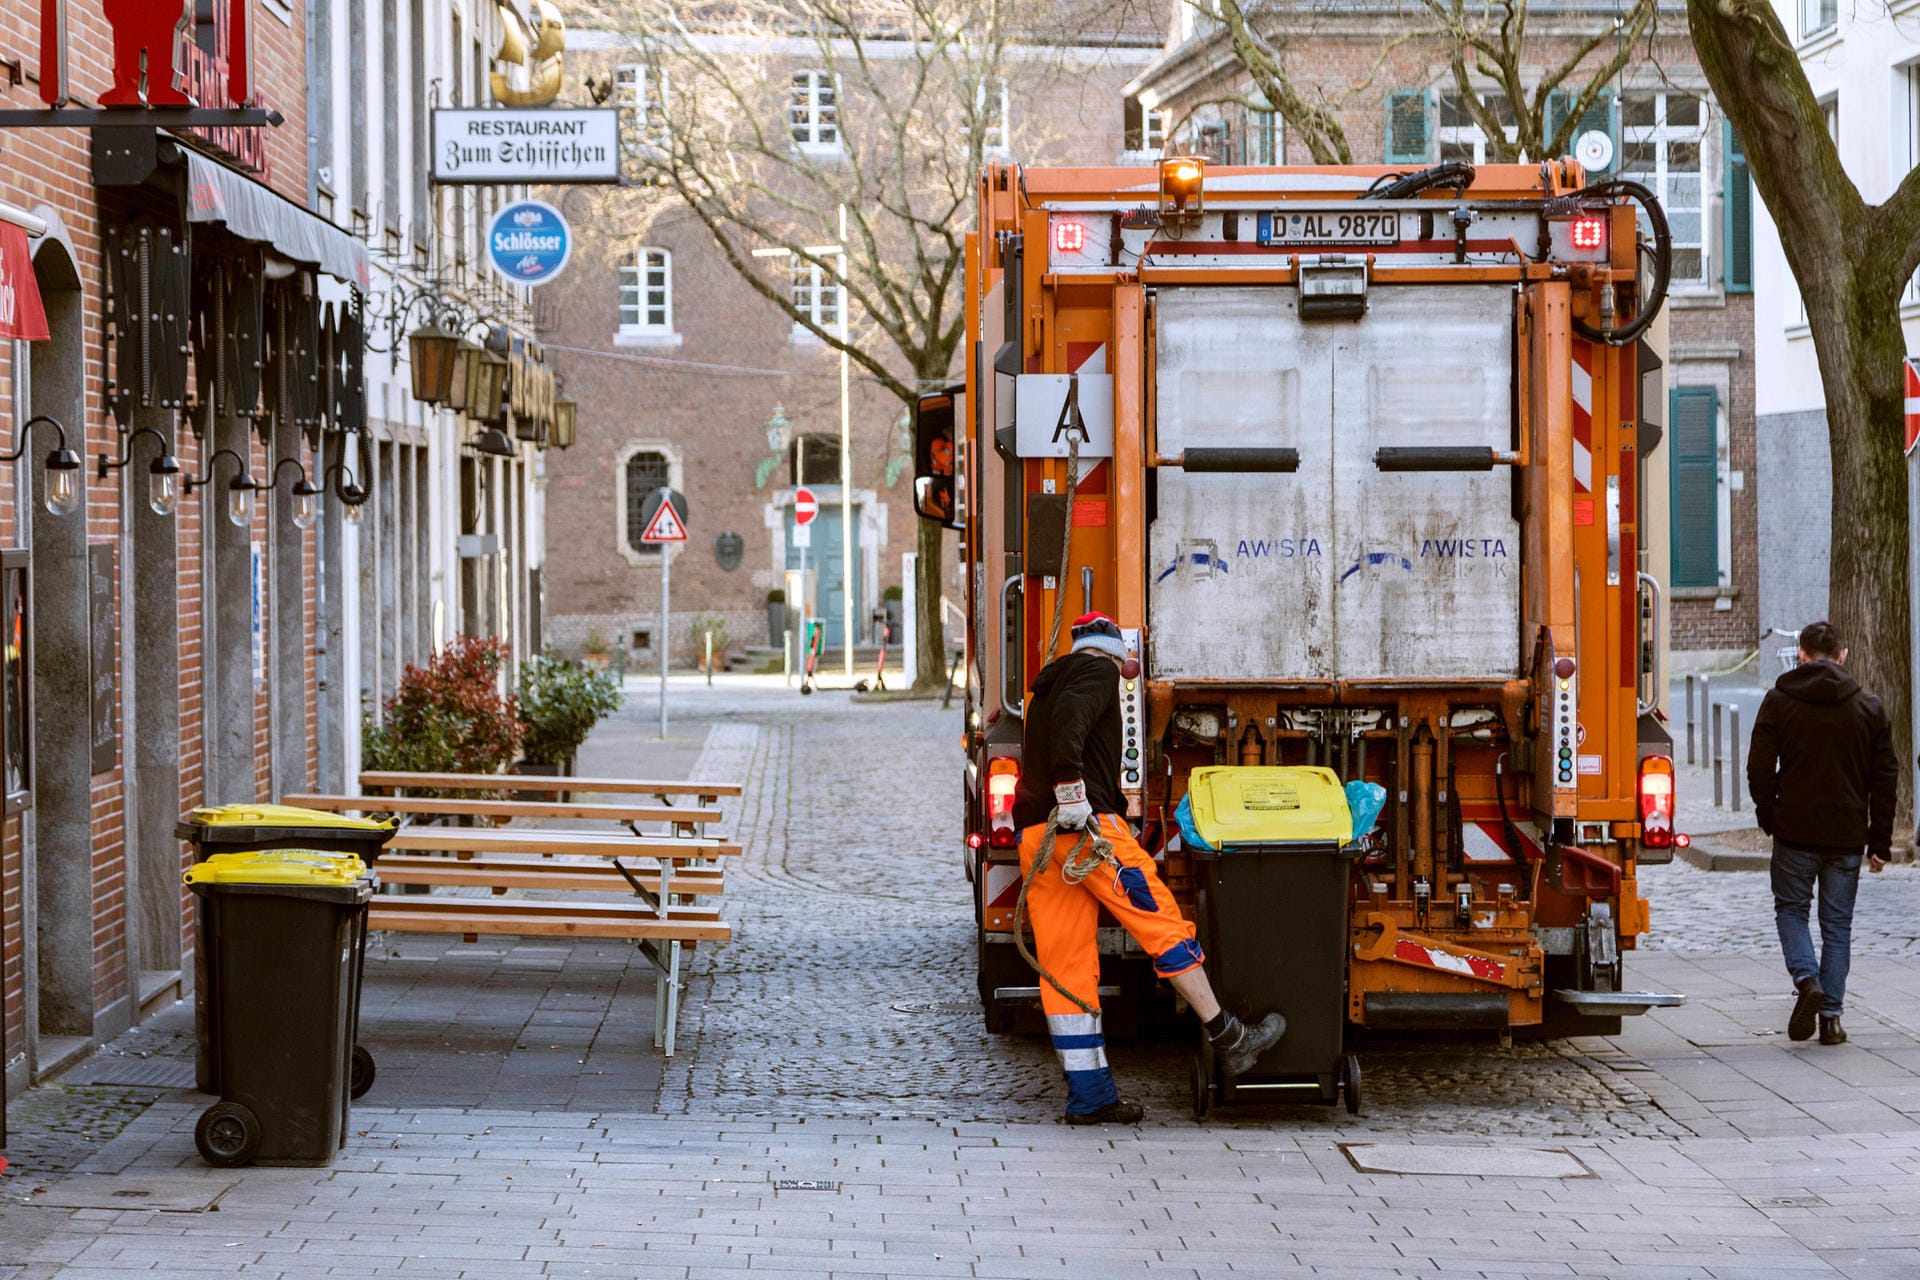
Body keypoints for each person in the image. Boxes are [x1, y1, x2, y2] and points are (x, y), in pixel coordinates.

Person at [1012, 612, 1285, 1123]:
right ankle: (1230, 1038)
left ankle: (1090, 1097)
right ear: (1117, 657)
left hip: (1039, 839)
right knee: (1162, 924)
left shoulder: (1045, 690)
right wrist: (1073, 792)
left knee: (1066, 965)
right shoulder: (1096, 672)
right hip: (1084, 831)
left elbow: (1061, 726)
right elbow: (1076, 719)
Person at [1746, 620, 1898, 1046]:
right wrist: (1879, 841)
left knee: (1791, 912)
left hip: (1794, 830)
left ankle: (1806, 978)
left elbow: (1759, 767)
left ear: (1802, 654)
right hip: (1847, 834)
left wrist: (1769, 813)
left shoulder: (1779, 701)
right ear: (1843, 656)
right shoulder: (1869, 706)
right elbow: (1885, 777)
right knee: (1837, 927)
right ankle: (1831, 1018)